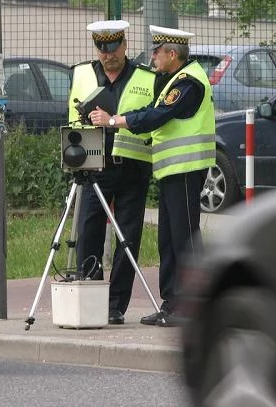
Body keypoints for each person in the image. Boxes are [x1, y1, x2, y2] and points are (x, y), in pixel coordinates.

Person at [89, 25, 216, 327]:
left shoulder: (188, 83)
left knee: (185, 240)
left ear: (173, 54)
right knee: (168, 240)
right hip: (172, 171)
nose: (153, 57)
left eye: (157, 51)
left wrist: (115, 121)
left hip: (186, 169)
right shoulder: (173, 79)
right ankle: (172, 304)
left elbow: (157, 116)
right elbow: (150, 110)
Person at [69, 20, 157, 325]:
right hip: (95, 166)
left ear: (125, 45)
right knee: (89, 231)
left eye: (114, 48)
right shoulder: (81, 73)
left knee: (128, 237)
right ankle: (91, 298)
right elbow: (71, 119)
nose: (108, 55)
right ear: (97, 48)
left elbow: (150, 118)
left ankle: (116, 305)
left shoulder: (146, 76)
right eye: (102, 49)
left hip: (133, 166)